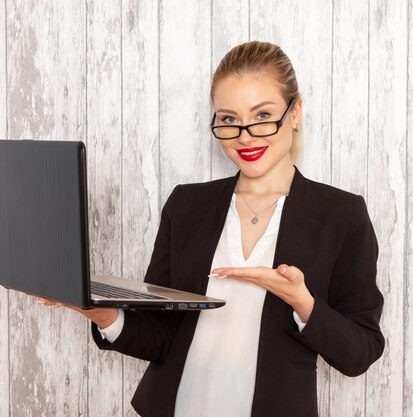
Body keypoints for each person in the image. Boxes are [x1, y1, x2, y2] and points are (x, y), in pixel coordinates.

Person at [38, 40, 384, 417]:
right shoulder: (187, 205)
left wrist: (303, 301)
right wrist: (100, 312)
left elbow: (361, 352)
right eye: (230, 120)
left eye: (263, 114)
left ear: (295, 111)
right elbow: (162, 335)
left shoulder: (341, 214)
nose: (245, 136)